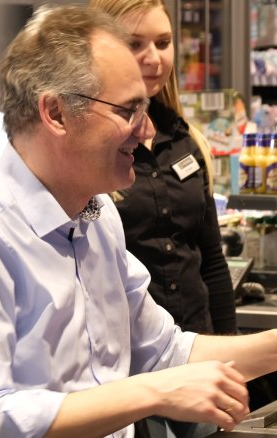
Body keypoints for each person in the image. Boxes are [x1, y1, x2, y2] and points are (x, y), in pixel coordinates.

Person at [0, 5, 277, 437]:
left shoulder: (97, 219)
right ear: (55, 113)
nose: (146, 127)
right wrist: (151, 391)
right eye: (127, 110)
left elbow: (169, 353)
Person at [89, 0, 236, 337]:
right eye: (134, 44)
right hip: (127, 357)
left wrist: (232, 350)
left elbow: (211, 261)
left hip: (199, 345)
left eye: (163, 43)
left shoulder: (188, 141)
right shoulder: (88, 152)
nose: (154, 58)